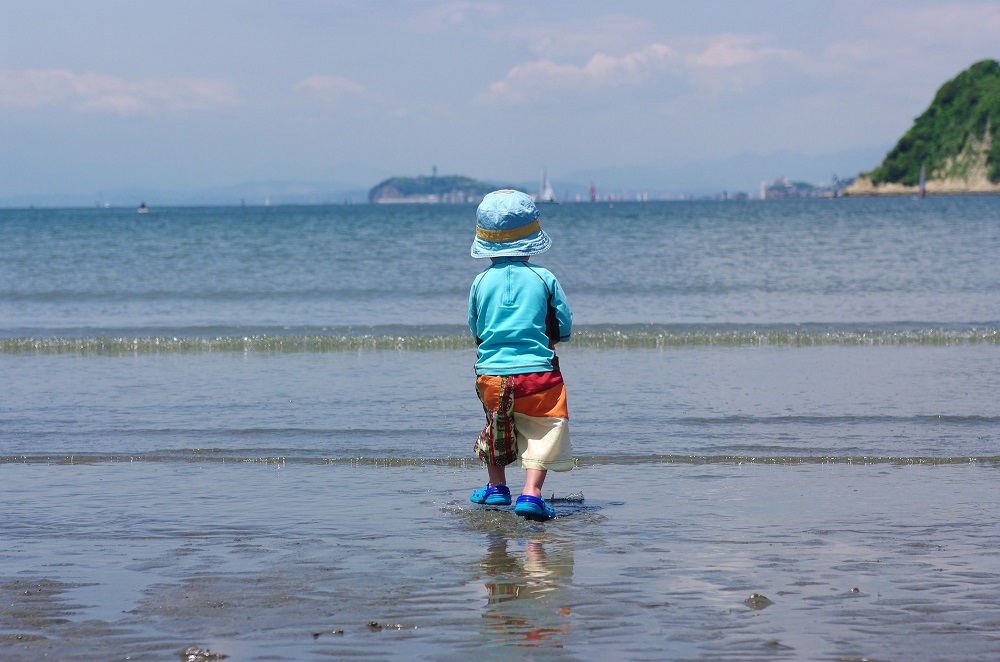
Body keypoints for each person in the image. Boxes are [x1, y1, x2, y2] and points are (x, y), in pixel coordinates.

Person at [468, 189, 573, 521]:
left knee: (497, 425)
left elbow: (476, 327)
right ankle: (532, 493)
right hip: (539, 374)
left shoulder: (480, 282)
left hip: (490, 373)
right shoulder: (544, 278)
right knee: (543, 428)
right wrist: (556, 337)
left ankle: (496, 486)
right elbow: (563, 323)